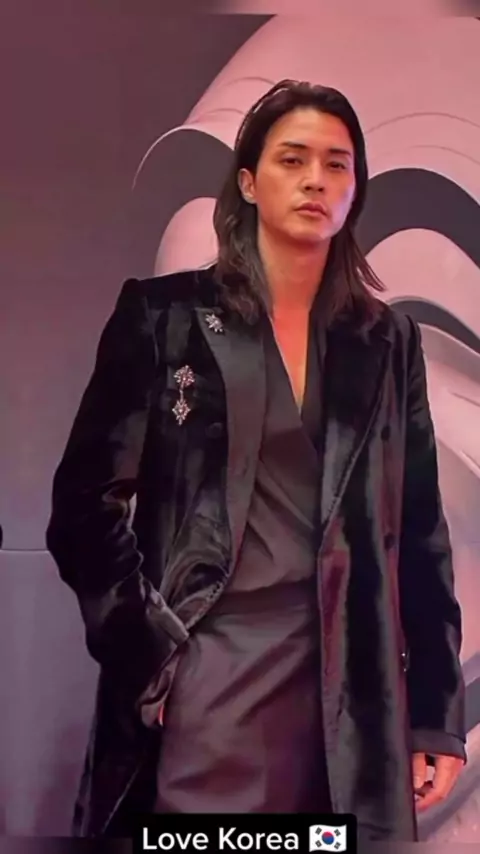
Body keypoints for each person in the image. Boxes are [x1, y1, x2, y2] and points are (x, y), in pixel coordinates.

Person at [46, 80, 466, 842]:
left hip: (348, 703)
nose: (315, 180)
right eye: (292, 159)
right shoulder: (165, 318)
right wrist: (150, 651)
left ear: (357, 188)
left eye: (336, 164)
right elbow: (82, 506)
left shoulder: (386, 341)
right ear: (247, 181)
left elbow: (421, 536)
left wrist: (436, 714)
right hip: (209, 687)